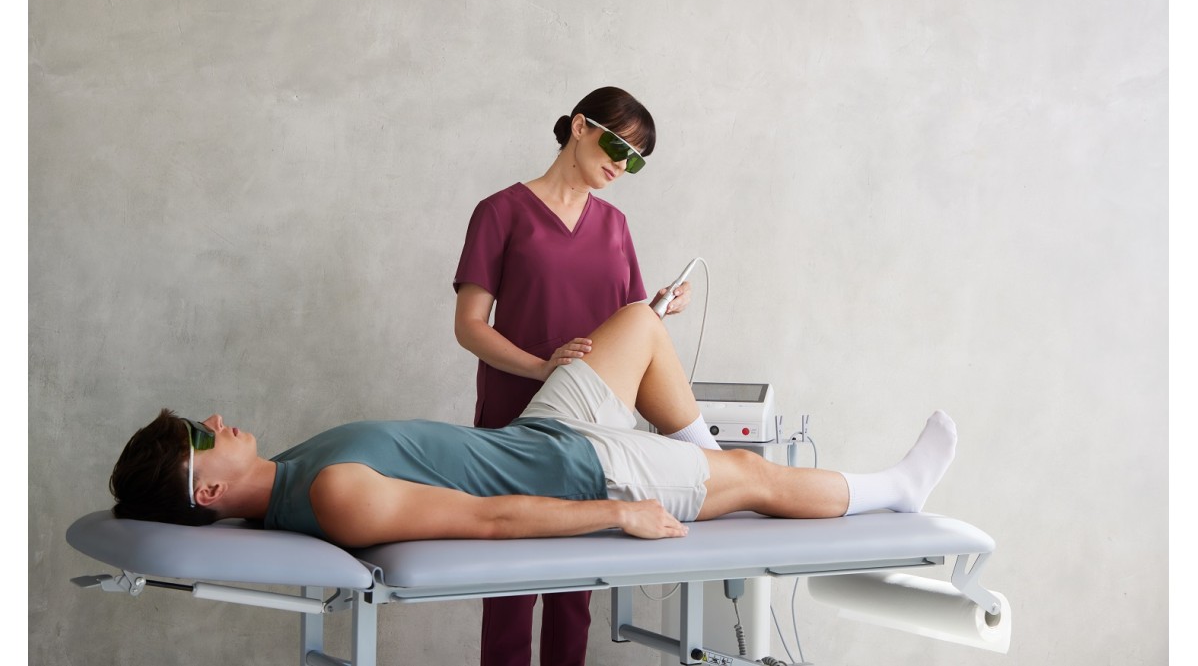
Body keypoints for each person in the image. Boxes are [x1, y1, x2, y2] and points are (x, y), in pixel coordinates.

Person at [110, 304, 959, 554]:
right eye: (200, 434)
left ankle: (701, 465)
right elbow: (491, 518)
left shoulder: (291, 467)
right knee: (758, 475)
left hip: (542, 431)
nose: (215, 420)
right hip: (583, 472)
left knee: (638, 322)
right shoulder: (331, 494)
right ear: (208, 489)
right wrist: (618, 511)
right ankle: (896, 490)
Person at [452, 86, 717, 665]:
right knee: (512, 584)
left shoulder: (615, 225)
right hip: (518, 415)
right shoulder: (501, 212)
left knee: (577, 588)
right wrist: (541, 366)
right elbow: (469, 326)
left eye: (636, 161)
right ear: (579, 127)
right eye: (619, 147)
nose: (622, 166)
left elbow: (631, 325)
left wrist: (660, 308)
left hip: (596, 423)